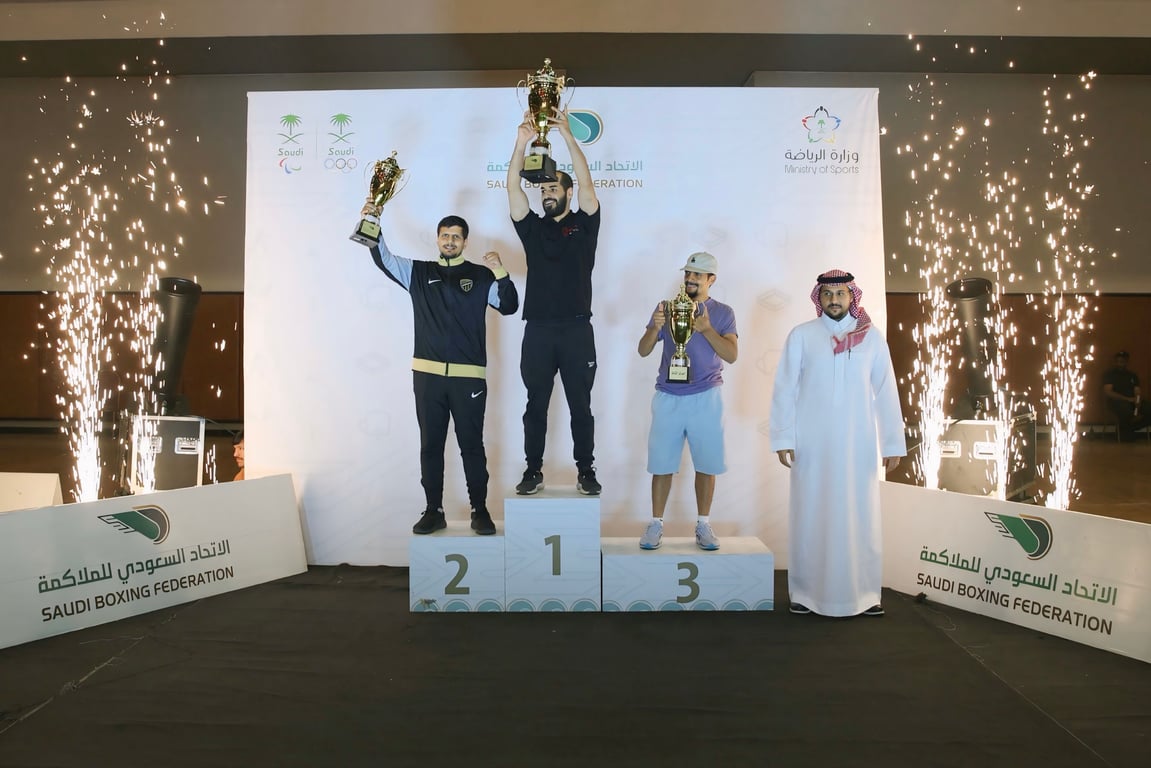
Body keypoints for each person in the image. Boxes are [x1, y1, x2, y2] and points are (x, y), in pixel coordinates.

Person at [366, 213, 519, 535]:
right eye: (445, 236)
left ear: (465, 242)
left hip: (468, 378)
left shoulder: (480, 276)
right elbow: (384, 258)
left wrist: (501, 272)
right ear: (437, 239)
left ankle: (480, 510)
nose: (450, 241)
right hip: (428, 376)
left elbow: (509, 306)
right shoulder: (419, 273)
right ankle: (433, 510)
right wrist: (372, 218)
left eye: (456, 237)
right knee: (430, 447)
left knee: (471, 446)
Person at [769, 269, 906, 617]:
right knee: (810, 513)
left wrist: (892, 443)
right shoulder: (802, 335)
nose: (834, 300)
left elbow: (886, 390)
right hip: (811, 443)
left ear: (851, 297)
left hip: (858, 443)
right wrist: (783, 436)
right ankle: (805, 594)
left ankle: (865, 595)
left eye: (841, 294)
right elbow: (784, 388)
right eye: (828, 294)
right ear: (819, 298)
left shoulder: (871, 338)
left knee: (861, 515)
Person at [507, 109, 602, 496]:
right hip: (539, 330)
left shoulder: (585, 224)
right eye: (543, 190)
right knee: (536, 405)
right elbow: (513, 191)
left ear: (567, 192)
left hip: (577, 328)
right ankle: (533, 470)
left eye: (552, 189)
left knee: (581, 405)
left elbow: (587, 182)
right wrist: (520, 143)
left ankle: (586, 470)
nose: (546, 194)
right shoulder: (532, 228)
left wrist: (566, 136)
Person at [636, 252, 738, 551]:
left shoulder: (723, 312)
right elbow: (643, 350)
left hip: (707, 396)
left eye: (698, 275)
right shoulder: (666, 308)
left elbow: (731, 355)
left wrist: (706, 329)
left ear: (711, 279)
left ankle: (703, 524)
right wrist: (654, 328)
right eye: (688, 274)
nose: (691, 279)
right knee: (661, 464)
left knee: (706, 464)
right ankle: (656, 523)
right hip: (668, 395)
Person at [1102, 350, 1149, 442]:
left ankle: (1130, 429)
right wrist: (1127, 399)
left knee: (1148, 409)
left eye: (1123, 361)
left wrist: (1138, 400)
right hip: (1116, 402)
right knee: (1126, 410)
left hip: (1132, 401)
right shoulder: (1110, 374)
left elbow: (1137, 391)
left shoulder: (1132, 375)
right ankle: (1126, 433)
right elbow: (1108, 392)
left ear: (1126, 362)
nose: (1120, 363)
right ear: (1115, 361)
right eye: (1118, 361)